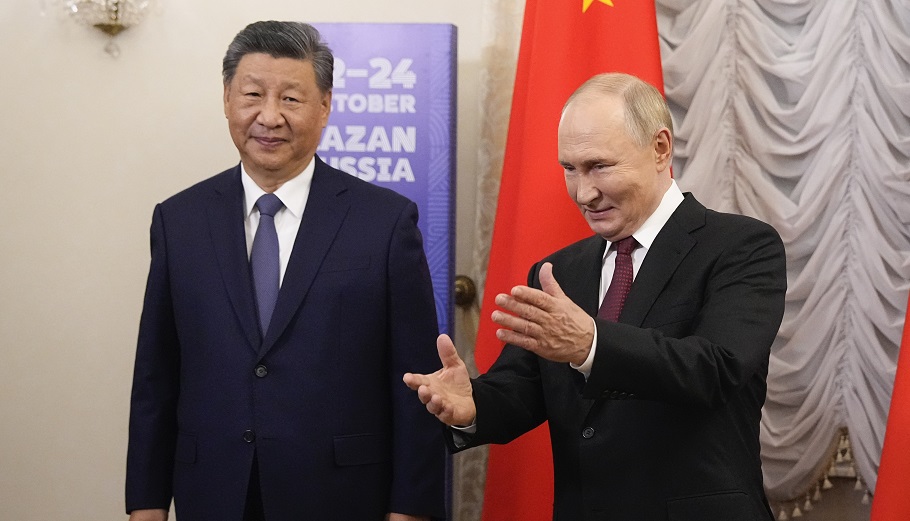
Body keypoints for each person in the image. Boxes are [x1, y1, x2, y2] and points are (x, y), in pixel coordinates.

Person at [404, 73, 787, 520]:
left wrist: (591, 346)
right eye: (570, 169)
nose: (584, 193)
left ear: (660, 148)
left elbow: (716, 369)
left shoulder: (741, 246)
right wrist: (472, 406)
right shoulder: (560, 271)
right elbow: (525, 390)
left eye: (599, 166)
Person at [126, 21, 445, 521]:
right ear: (228, 99)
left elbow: (417, 383)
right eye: (252, 94)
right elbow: (156, 377)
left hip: (342, 496)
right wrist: (146, 505)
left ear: (325, 107)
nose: (268, 117)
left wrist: (411, 510)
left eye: (291, 99)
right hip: (212, 492)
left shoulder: (384, 223)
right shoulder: (178, 220)